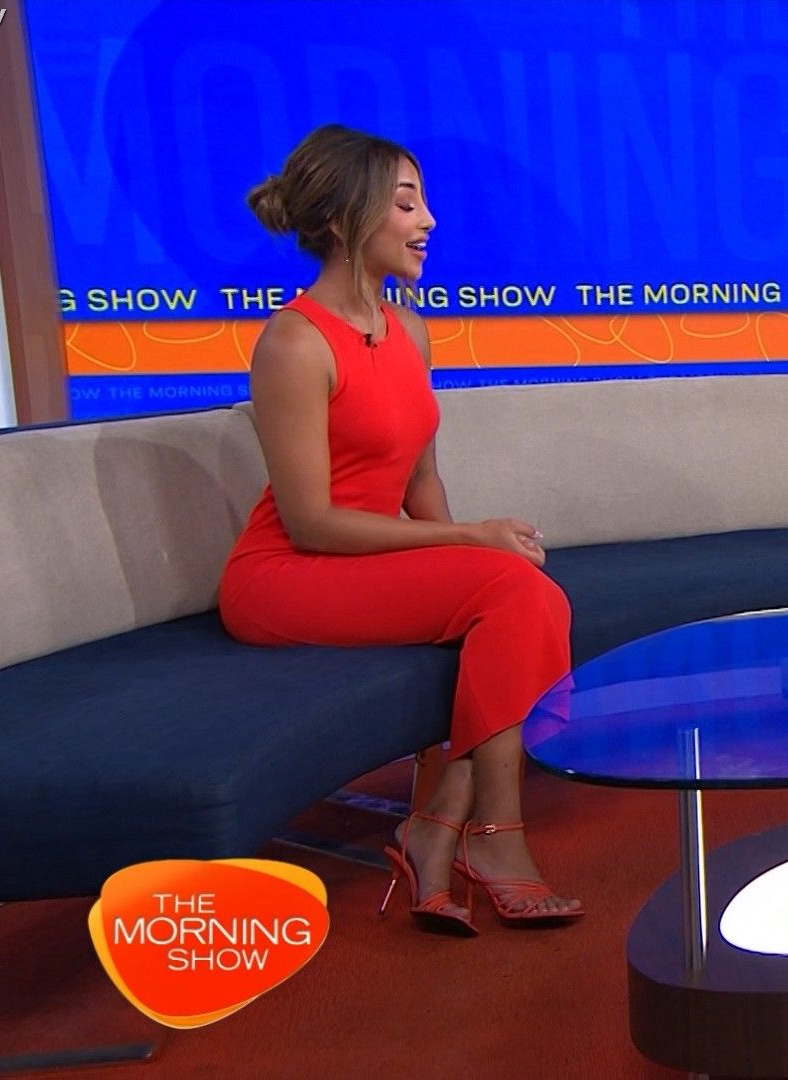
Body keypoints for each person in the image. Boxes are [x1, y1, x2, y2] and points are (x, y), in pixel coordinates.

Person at [219, 125, 583, 933]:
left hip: (362, 558)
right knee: (515, 589)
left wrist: (472, 566)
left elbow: (420, 481)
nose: (429, 222)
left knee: (520, 592)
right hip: (286, 575)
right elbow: (311, 522)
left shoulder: (408, 328)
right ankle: (489, 836)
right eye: (406, 204)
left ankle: (441, 825)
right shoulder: (294, 343)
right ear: (344, 218)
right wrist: (470, 545)